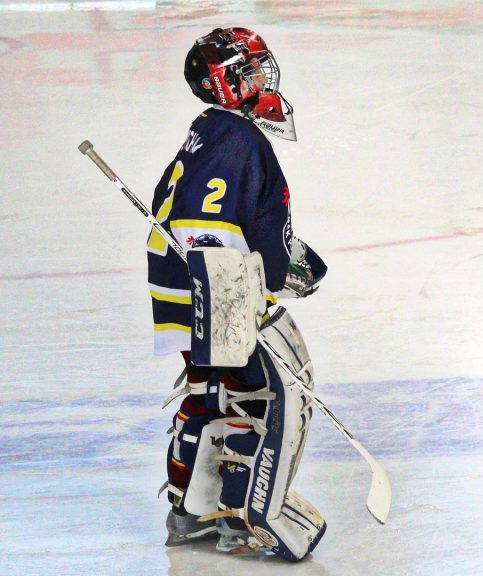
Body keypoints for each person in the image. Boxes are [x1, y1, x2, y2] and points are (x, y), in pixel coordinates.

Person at [149, 27, 327, 559]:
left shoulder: (211, 128)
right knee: (257, 397)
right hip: (213, 290)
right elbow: (207, 225)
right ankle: (238, 516)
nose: (259, 78)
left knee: (208, 393)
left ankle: (191, 512)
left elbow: (221, 217)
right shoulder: (239, 140)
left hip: (181, 285)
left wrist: (279, 257)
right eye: (246, 71)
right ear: (222, 83)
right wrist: (262, 286)